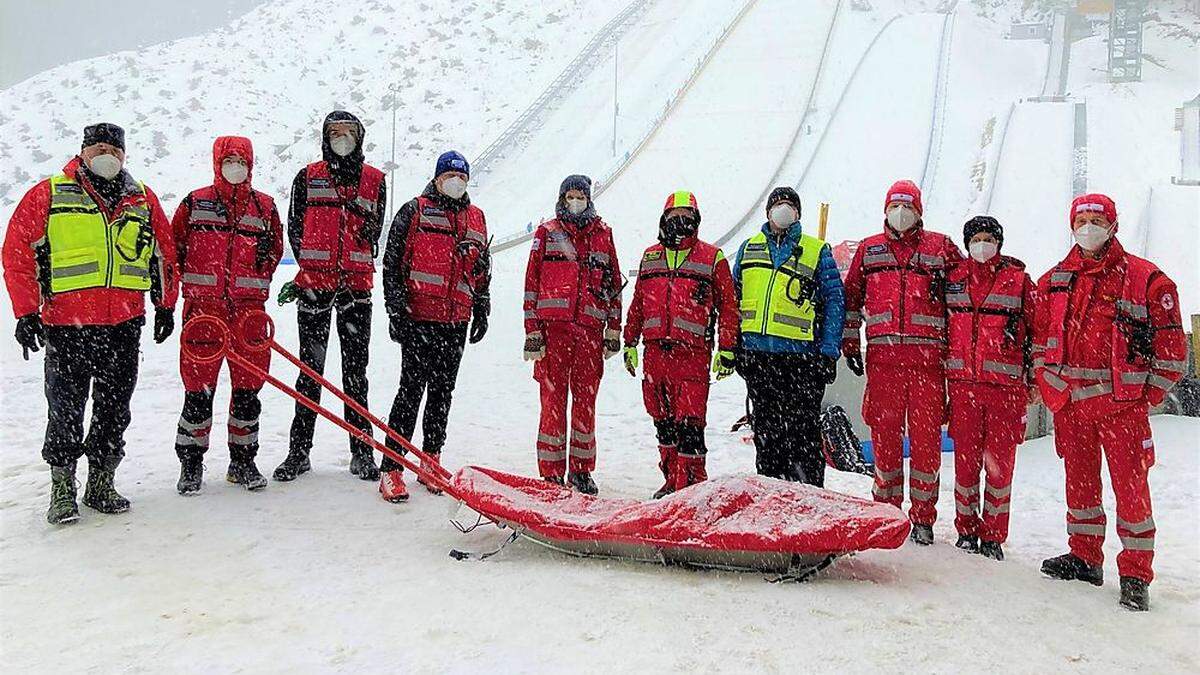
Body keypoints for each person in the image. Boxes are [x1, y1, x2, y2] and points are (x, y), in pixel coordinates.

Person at [3, 122, 178, 524]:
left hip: (124, 324)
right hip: (67, 325)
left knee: (114, 408)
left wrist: (165, 305)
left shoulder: (142, 199)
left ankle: (101, 483)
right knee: (65, 408)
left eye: (114, 150)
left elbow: (164, 257)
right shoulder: (49, 193)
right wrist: (26, 312)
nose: (107, 155)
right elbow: (17, 253)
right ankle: (62, 489)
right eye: (98, 147)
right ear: (82, 150)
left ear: (124, 155)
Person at [1034, 193, 1186, 612]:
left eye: (1096, 219)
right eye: (1081, 219)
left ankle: (1135, 573)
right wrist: (1049, 385)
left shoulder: (1147, 280)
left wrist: (1142, 397)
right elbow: (1036, 340)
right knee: (1080, 487)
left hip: (1122, 410)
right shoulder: (1054, 281)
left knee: (1131, 491)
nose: (1088, 227)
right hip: (1072, 407)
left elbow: (1173, 351)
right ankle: (1084, 557)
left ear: (1113, 225)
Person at [842, 180, 963, 545]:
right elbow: (851, 300)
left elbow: (962, 301)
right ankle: (886, 511)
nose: (900, 213)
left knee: (927, 444)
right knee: (885, 441)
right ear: (885, 209)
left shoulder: (940, 249)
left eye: (907, 206)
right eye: (894, 206)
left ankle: (923, 518)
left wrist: (955, 354)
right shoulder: (870, 250)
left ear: (919, 210)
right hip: (883, 365)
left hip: (927, 366)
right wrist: (850, 343)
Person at [274, 111, 387, 484]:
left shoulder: (375, 182)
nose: (342, 139)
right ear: (325, 137)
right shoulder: (307, 178)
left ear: (360, 137)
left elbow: (375, 230)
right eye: (334, 133)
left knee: (356, 375)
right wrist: (311, 265)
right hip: (315, 286)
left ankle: (362, 450)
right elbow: (294, 227)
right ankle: (299, 451)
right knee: (310, 371)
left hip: (357, 289)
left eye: (348, 133)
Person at [171, 136, 284, 495]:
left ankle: (243, 461)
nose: (235, 167)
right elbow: (174, 248)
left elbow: (275, 247)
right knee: (198, 393)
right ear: (217, 162)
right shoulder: (195, 203)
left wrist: (258, 277)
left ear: (251, 164)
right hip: (204, 314)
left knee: (248, 392)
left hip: (249, 315)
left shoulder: (265, 208)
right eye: (229, 160)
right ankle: (191, 464)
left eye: (241, 161)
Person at [380, 151, 491, 502]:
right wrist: (396, 310)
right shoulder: (415, 211)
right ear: (438, 178)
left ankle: (431, 458)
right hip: (419, 318)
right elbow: (392, 263)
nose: (456, 183)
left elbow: (481, 269)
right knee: (410, 392)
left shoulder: (477, 218)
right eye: (449, 177)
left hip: (455, 320)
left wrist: (482, 306)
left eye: (462, 177)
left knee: (442, 393)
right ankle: (392, 467)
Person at [623, 191, 738, 499]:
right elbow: (638, 303)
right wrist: (629, 341)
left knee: (690, 424)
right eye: (675, 217)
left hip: (692, 356)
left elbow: (728, 305)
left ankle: (691, 487)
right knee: (662, 421)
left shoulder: (712, 258)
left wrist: (727, 348)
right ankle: (671, 481)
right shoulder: (650, 257)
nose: (681, 223)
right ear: (664, 220)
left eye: (688, 217)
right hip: (655, 354)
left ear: (697, 221)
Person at [731, 187, 844, 486]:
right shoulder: (748, 248)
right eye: (777, 204)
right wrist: (735, 345)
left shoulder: (816, 250)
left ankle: (807, 496)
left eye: (788, 205)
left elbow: (834, 301)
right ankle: (770, 492)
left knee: (803, 435)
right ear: (767, 211)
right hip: (759, 357)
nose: (782, 209)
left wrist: (829, 351)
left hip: (801, 360)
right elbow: (733, 297)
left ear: (798, 213)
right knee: (767, 434)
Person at [522, 175, 622, 493]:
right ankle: (551, 473)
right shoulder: (547, 233)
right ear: (562, 198)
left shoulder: (604, 235)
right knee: (552, 402)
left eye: (581, 197)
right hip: (554, 333)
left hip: (590, 335)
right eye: (570, 197)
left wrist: (613, 329)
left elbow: (614, 284)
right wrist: (532, 331)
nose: (575, 202)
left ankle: (580, 471)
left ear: (589, 199)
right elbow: (531, 284)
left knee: (585, 403)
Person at [944, 216, 1035, 561]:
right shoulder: (952, 281)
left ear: (999, 242)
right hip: (964, 389)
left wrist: (1034, 384)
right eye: (976, 238)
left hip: (1005, 393)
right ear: (967, 243)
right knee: (965, 467)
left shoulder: (1019, 282)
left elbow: (1036, 334)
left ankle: (994, 535)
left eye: (988, 238)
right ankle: (966, 530)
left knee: (999, 469)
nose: (982, 245)